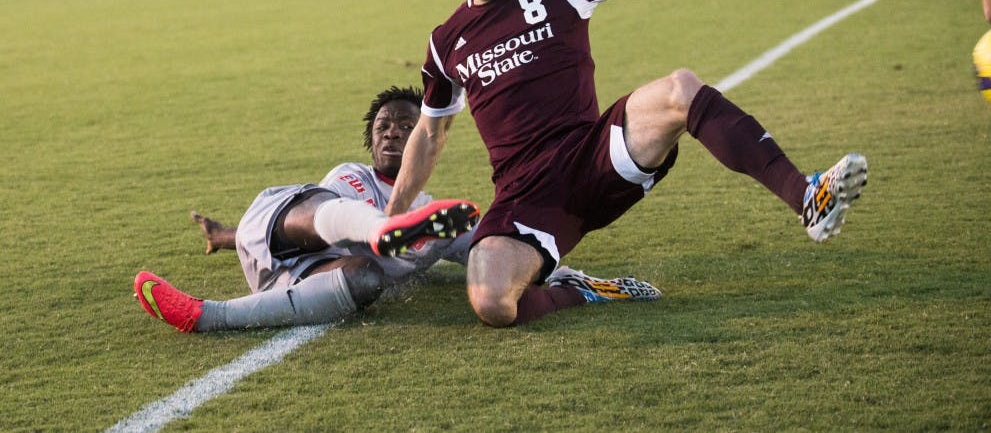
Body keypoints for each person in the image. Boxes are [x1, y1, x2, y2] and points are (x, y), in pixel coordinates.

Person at [383, 0, 869, 328]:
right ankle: (579, 290)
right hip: (525, 194)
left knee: (680, 89)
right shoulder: (446, 42)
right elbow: (430, 134)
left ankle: (806, 196)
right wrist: (393, 219)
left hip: (596, 156)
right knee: (491, 302)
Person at [135, 87, 658, 333]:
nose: (392, 130)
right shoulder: (352, 175)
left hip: (309, 280)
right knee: (330, 211)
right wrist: (231, 234)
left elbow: (504, 251)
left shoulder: (439, 212)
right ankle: (383, 232)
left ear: (424, 143)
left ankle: (199, 316)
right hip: (278, 231)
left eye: (407, 126)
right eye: (383, 125)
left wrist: (577, 280)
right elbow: (307, 225)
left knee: (365, 279)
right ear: (371, 139)